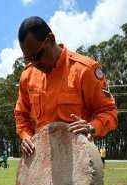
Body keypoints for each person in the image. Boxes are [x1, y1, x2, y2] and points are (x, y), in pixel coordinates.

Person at [14, 16, 118, 157]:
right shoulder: (27, 76)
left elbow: (109, 112)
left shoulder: (85, 70)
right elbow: (21, 115)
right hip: (42, 164)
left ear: (50, 39)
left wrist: (91, 127)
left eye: (38, 56)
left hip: (79, 162)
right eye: (28, 59)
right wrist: (26, 136)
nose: (35, 63)